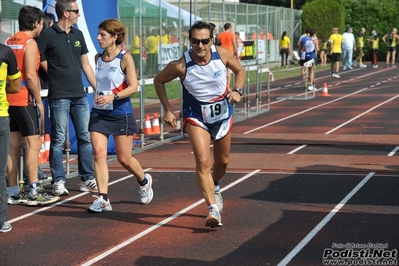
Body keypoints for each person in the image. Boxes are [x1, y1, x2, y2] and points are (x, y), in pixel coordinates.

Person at [153, 21, 246, 228]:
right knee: (203, 161)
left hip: (222, 115)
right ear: (190, 41)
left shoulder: (221, 54)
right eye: (196, 41)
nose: (200, 46)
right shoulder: (181, 65)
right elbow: (158, 81)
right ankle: (212, 208)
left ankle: (215, 184)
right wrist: (167, 109)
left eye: (205, 41)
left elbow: (240, 71)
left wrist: (238, 91)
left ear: (211, 40)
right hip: (196, 117)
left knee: (222, 162)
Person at [87, 19, 153, 212]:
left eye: (103, 35)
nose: (98, 38)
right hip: (99, 113)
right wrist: (101, 96)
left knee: (124, 158)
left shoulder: (125, 58)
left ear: (115, 37)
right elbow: (100, 83)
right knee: (98, 154)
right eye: (98, 34)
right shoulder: (98, 58)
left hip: (120, 113)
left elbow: (133, 87)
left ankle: (144, 180)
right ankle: (103, 199)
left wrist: (112, 97)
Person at [36, 0, 98, 196]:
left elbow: (85, 64)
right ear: (65, 13)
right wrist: (54, 74)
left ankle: (87, 178)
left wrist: (98, 88)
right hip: (59, 95)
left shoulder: (78, 34)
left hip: (79, 95)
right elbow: (38, 59)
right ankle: (58, 181)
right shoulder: (47, 34)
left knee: (85, 138)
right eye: (76, 11)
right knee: (58, 139)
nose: (78, 14)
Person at [5, 6, 59, 206]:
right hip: (23, 99)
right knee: (33, 145)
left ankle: (12, 191)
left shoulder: (9, 41)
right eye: (41, 24)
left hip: (8, 99)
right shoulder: (30, 43)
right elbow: (29, 74)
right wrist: (38, 100)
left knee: (13, 146)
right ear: (36, 23)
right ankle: (34, 190)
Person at [22, 12, 54, 184]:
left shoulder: (13, 42)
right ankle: (32, 182)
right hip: (31, 97)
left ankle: (19, 184)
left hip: (22, 97)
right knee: (33, 141)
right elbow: (31, 74)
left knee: (24, 142)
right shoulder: (32, 44)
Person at [0, 43, 22, 232]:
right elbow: (16, 86)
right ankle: (0, 220)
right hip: (0, 116)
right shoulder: (5, 52)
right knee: (0, 172)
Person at [217, 23, 237, 88]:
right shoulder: (231, 35)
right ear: (229, 27)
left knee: (222, 68)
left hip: (221, 52)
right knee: (228, 69)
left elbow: (218, 43)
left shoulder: (220, 35)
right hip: (229, 52)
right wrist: (237, 52)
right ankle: (227, 85)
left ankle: (222, 83)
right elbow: (234, 44)